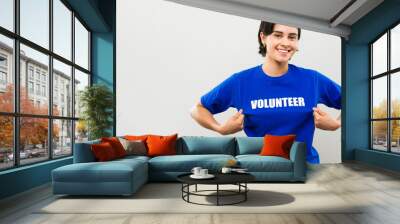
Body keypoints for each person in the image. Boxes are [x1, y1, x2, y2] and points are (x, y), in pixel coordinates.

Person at [190, 21, 341, 164]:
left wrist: (336, 124)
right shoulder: (241, 82)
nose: (286, 43)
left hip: (305, 167)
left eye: (292, 37)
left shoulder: (312, 79)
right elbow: (198, 109)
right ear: (263, 37)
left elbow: (357, 101)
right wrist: (221, 129)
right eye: (278, 35)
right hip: (261, 169)